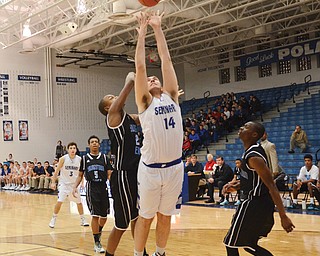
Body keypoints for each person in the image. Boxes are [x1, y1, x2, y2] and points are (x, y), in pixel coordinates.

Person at [134, 11, 184, 256]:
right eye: (149, 79)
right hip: (151, 170)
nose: (153, 78)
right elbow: (141, 66)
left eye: (156, 78)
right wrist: (142, 31)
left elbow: (167, 61)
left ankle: (160, 253)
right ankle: (137, 253)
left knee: (165, 217)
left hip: (174, 168)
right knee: (146, 218)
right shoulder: (144, 101)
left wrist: (158, 27)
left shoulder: (172, 96)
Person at [224, 121, 295, 256]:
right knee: (248, 245)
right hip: (257, 203)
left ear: (254, 134)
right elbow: (255, 181)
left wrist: (283, 216)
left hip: (254, 204)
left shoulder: (254, 157)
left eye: (245, 127)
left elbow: (271, 185)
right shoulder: (250, 152)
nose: (241, 127)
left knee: (230, 243)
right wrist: (236, 186)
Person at [98, 72, 148, 256]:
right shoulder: (112, 117)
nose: (115, 97)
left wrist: (166, 101)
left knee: (137, 218)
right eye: (111, 98)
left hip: (136, 173)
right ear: (107, 107)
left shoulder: (130, 118)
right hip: (122, 175)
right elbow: (125, 93)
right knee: (122, 224)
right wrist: (131, 81)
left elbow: (148, 116)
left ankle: (140, 252)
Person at [72, 135, 112, 253]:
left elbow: (109, 174)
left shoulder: (105, 158)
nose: (94, 143)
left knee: (104, 217)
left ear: (99, 144)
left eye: (96, 142)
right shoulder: (84, 159)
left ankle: (98, 232)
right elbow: (80, 175)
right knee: (95, 215)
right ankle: (97, 242)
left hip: (103, 187)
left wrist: (113, 186)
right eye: (92, 142)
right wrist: (75, 186)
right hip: (92, 188)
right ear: (89, 145)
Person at [49, 142, 89, 228]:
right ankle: (54, 218)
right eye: (71, 148)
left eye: (74, 148)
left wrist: (82, 182)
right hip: (64, 184)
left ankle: (83, 219)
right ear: (68, 149)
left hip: (74, 185)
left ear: (76, 149)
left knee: (79, 203)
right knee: (60, 202)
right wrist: (53, 182)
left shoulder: (79, 159)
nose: (72, 150)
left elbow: (81, 173)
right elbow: (57, 171)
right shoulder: (63, 159)